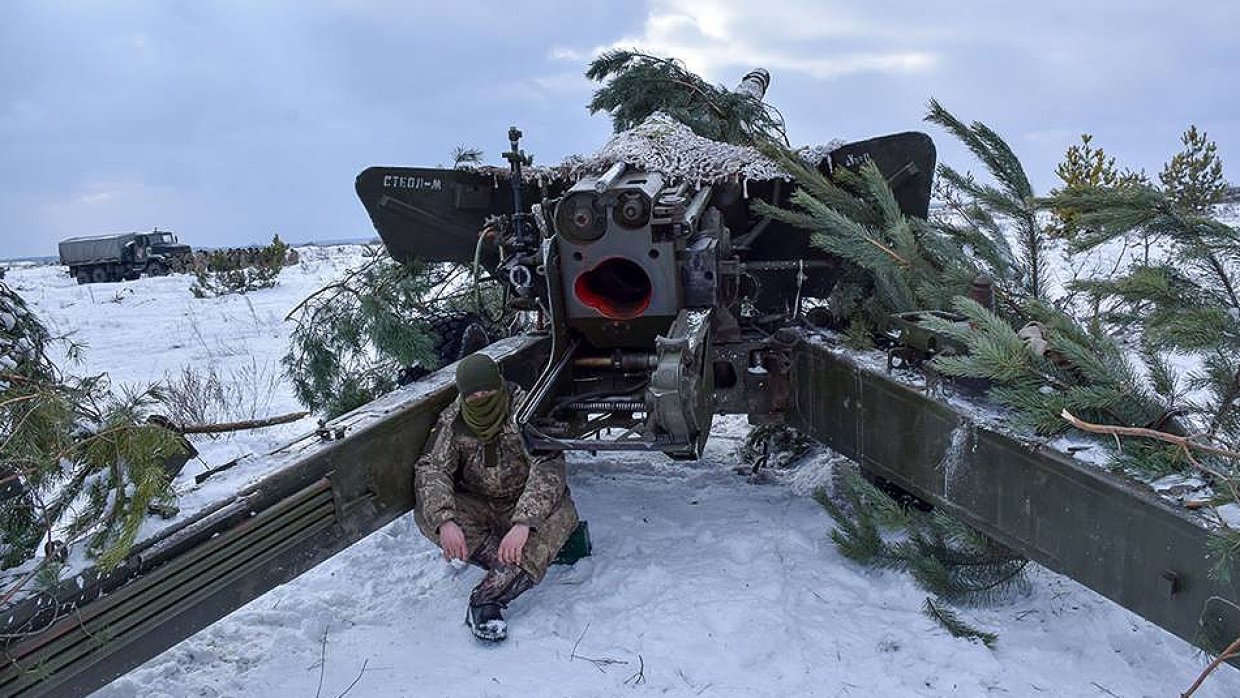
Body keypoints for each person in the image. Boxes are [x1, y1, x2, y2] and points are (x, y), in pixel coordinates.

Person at [413, 352, 579, 641]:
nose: (481, 398)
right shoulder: (454, 420)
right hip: (480, 503)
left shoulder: (526, 410)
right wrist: (445, 521)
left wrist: (524, 523)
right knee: (427, 516)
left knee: (563, 516)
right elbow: (432, 468)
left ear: (499, 386)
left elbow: (548, 465)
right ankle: (510, 563)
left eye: (487, 391)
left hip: (524, 502)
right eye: (473, 394)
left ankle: (486, 599)